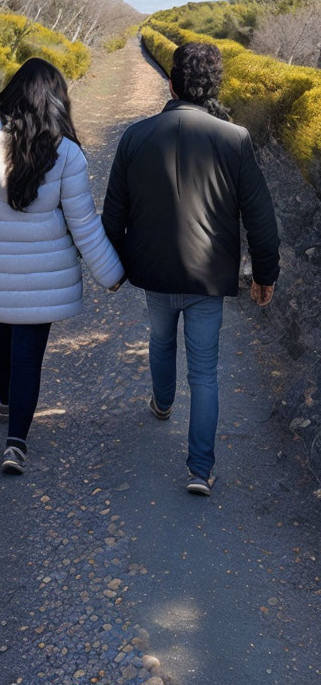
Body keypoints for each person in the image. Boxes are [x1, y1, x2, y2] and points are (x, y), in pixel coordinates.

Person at [102, 41, 280, 496]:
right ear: (213, 87)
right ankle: (200, 470)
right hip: (208, 279)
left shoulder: (135, 137)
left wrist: (114, 266)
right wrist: (266, 273)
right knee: (204, 372)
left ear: (171, 82)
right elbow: (259, 215)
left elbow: (113, 215)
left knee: (160, 340)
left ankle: (162, 403)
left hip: (155, 274)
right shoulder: (234, 138)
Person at [0, 57, 124, 475]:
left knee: (1, 344)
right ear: (56, 100)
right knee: (29, 358)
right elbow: (84, 226)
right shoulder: (68, 154)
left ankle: (5, 405)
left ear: (13, 92)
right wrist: (110, 275)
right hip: (44, 281)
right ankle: (15, 444)